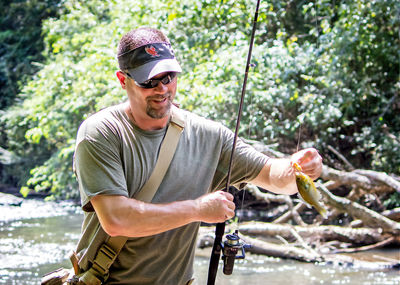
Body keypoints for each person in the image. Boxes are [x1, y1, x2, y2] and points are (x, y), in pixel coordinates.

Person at [72, 27, 323, 285]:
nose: (162, 89)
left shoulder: (208, 136)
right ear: (123, 80)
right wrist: (197, 209)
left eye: (168, 77)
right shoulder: (101, 133)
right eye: (148, 81)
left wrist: (298, 167)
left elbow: (274, 176)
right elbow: (117, 220)